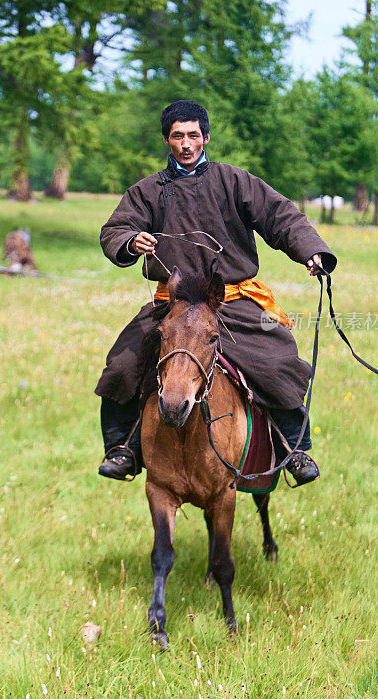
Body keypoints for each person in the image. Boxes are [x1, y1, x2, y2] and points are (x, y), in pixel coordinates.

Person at [95, 100, 337, 485]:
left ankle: (295, 449)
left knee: (276, 360)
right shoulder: (147, 191)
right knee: (123, 364)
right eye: (177, 136)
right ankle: (123, 449)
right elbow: (115, 229)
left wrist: (312, 251)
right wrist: (129, 240)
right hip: (172, 306)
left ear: (205, 136)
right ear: (166, 140)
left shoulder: (235, 181)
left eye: (193, 135)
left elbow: (281, 216)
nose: (186, 143)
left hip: (231, 301)